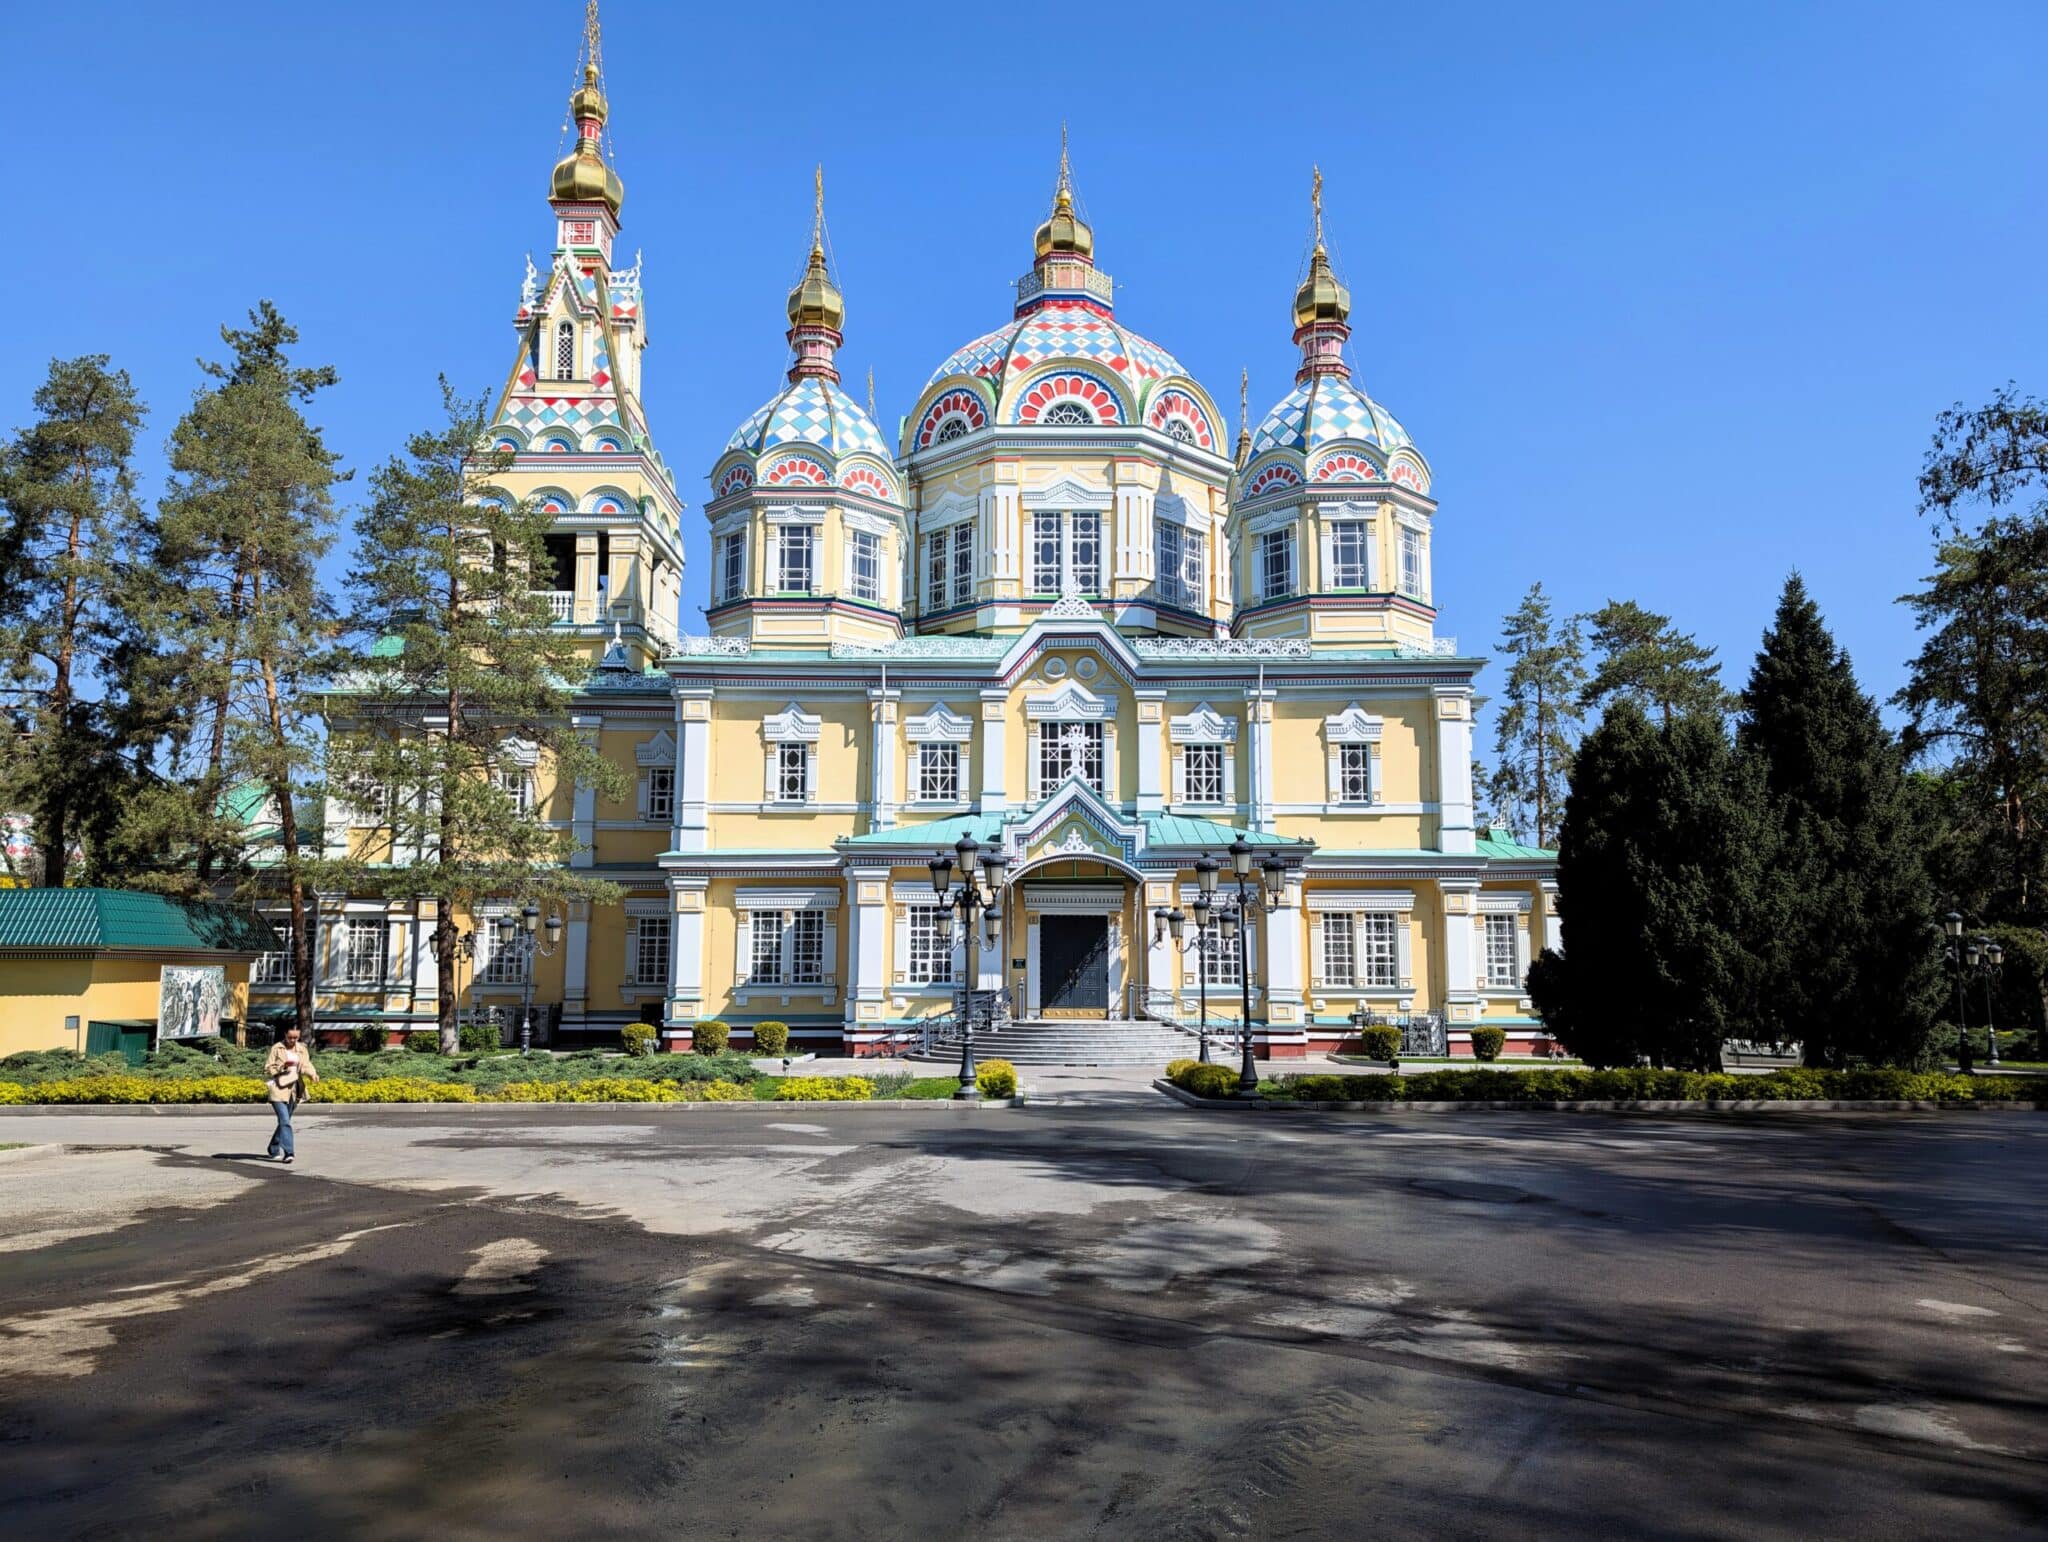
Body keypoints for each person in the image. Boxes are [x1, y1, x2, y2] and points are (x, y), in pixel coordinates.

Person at [264, 1026, 319, 1164]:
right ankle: (289, 1153)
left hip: (295, 1090)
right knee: (284, 1120)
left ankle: (273, 1148)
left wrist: (312, 1074)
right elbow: (268, 1067)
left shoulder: (302, 1049)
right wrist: (282, 1067)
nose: (293, 1040)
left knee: (285, 1122)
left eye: (296, 1037)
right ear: (285, 1034)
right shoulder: (277, 1048)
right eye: (290, 1037)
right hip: (278, 1088)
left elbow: (306, 1065)